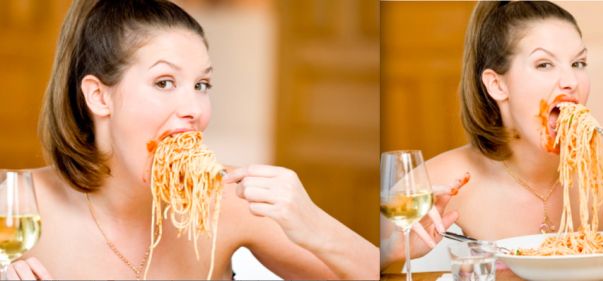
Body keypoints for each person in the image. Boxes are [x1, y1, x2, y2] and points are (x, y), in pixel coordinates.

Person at [11, 0, 378, 279]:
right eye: (164, 82)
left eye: (202, 85)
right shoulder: (15, 208)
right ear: (98, 96)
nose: (194, 109)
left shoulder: (228, 200)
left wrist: (315, 226)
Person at [381, 0, 603, 270]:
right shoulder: (449, 179)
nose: (571, 81)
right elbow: (349, 257)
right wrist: (390, 250)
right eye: (544, 64)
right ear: (497, 85)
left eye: (578, 62)